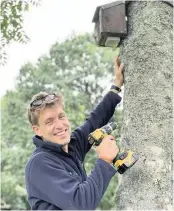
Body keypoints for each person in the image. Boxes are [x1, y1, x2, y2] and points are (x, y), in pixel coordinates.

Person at [25, 56, 124, 210]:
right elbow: (81, 204)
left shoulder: (71, 145)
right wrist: (104, 159)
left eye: (61, 116)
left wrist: (116, 86)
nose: (59, 125)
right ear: (37, 130)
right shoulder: (40, 163)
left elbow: (94, 121)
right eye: (49, 121)